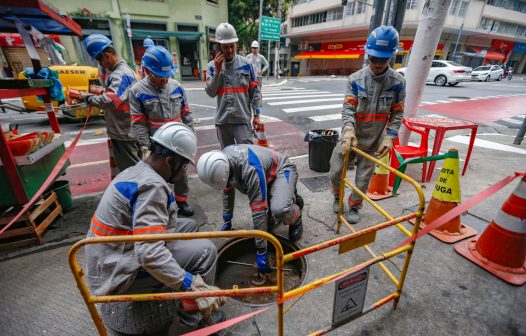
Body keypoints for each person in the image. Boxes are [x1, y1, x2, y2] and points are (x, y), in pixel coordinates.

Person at [85, 122, 226, 335]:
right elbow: (148, 253)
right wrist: (191, 284)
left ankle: (172, 282)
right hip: (118, 273)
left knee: (190, 226)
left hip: (110, 256)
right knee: (206, 252)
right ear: (170, 161)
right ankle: (189, 323)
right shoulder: (152, 187)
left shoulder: (138, 170)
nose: (184, 172)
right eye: (184, 165)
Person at [329, 26, 405, 224]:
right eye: (373, 59)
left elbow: (397, 112)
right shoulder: (355, 80)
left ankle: (355, 206)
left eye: (382, 59)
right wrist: (348, 131)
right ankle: (337, 197)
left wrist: (390, 137)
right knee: (336, 170)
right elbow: (348, 109)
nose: (377, 64)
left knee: (363, 179)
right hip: (351, 138)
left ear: (391, 57)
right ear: (368, 55)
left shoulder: (398, 82)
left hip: (374, 142)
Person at [197, 145, 304, 274]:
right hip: (265, 175)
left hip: (282, 169)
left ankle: (295, 214)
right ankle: (287, 195)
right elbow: (227, 192)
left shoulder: (250, 169)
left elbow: (259, 211)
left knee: (279, 210)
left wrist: (261, 250)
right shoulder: (223, 162)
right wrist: (227, 219)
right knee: (268, 226)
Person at [129, 46, 196, 217]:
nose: (165, 81)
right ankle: (162, 205)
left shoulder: (176, 87)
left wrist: (191, 136)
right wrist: (146, 147)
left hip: (178, 141)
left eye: (167, 77)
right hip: (155, 144)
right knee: (156, 178)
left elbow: (186, 114)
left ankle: (181, 201)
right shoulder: (137, 92)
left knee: (181, 173)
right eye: (160, 77)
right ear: (147, 71)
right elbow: (138, 123)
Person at [82, 34, 141, 172]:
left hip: (123, 130)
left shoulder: (120, 74)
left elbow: (111, 100)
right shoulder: (125, 72)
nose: (101, 65)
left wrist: (88, 99)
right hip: (126, 128)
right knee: (136, 167)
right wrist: (102, 92)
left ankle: (139, 192)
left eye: (99, 60)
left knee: (132, 171)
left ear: (107, 56)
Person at [205, 23, 262, 149]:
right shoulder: (211, 67)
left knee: (247, 155)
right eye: (225, 47)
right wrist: (218, 72)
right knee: (229, 158)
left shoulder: (247, 64)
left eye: (232, 46)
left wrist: (257, 115)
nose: (230, 50)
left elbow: (255, 92)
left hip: (242, 121)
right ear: (219, 47)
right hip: (223, 122)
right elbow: (211, 92)